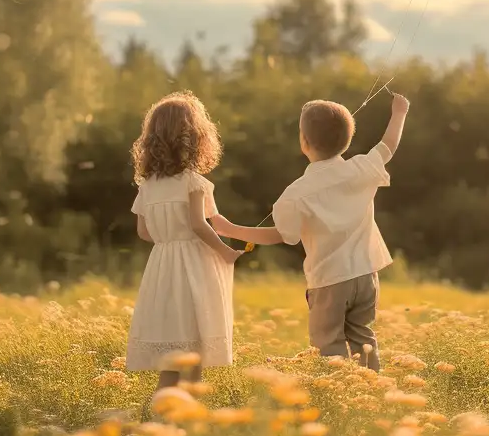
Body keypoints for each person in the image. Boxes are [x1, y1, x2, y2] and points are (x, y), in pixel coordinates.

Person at [124, 92, 278, 391]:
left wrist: (169, 238)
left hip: (162, 267)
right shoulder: (194, 182)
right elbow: (200, 224)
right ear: (195, 138)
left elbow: (144, 232)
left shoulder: (147, 186)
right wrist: (226, 252)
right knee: (194, 346)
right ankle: (187, 415)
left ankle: (162, 408)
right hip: (192, 267)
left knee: (172, 348)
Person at [269, 92, 411, 370]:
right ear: (346, 141)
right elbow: (389, 145)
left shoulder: (296, 193)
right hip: (366, 275)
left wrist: (230, 228)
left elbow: (282, 234)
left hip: (329, 280)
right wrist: (399, 112)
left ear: (304, 141)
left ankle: (338, 398)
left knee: (329, 343)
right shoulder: (360, 168)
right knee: (364, 338)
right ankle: (372, 393)